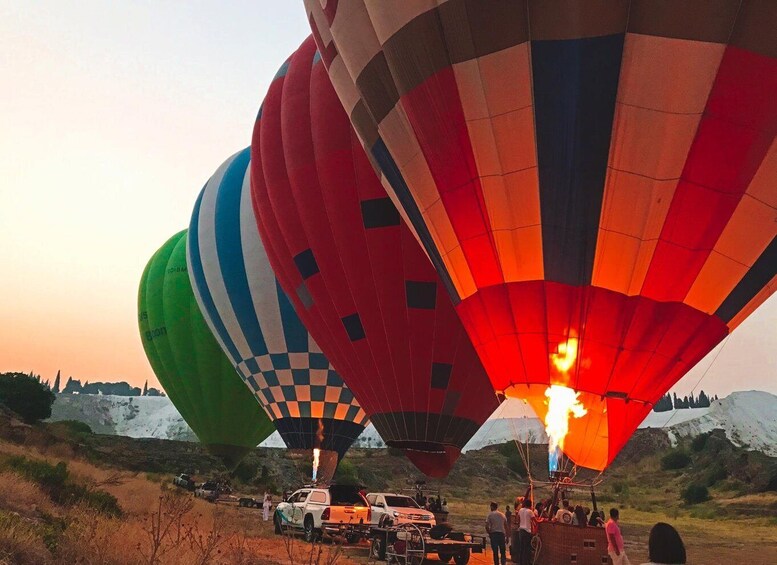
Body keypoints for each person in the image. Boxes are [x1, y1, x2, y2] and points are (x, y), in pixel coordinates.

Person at [516, 498, 534, 565]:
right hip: (527, 531)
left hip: (521, 530)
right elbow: (535, 520)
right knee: (527, 549)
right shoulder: (530, 511)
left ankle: (521, 562)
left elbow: (518, 519)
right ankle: (526, 563)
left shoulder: (520, 510)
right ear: (530, 504)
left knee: (521, 548)